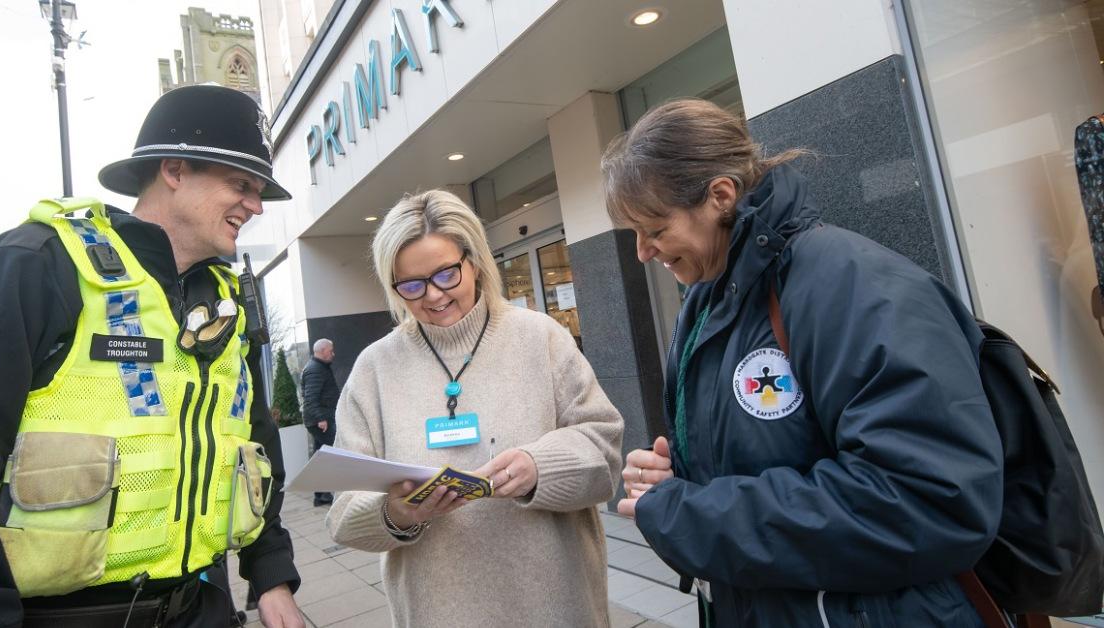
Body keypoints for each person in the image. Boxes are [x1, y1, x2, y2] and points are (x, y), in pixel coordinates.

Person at [0, 85, 305, 628]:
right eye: (241, 185)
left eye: (258, 190)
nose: (255, 206)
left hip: (197, 608)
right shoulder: (37, 263)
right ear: (175, 169)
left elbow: (253, 447)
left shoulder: (226, 304)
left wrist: (271, 573)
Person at [603, 99, 1004, 627]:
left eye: (654, 229)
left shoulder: (852, 285)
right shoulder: (705, 302)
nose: (642, 253)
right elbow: (773, 454)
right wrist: (676, 475)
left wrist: (687, 514)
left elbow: (927, 498)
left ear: (720, 196)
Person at [325, 190, 623, 626]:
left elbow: (606, 453)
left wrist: (539, 468)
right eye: (410, 285)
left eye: (446, 274)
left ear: (475, 260)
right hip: (436, 612)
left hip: (555, 606)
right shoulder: (374, 369)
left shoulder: (539, 337)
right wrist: (394, 513)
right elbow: (343, 512)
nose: (433, 296)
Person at [301, 338, 338, 506]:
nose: (333, 353)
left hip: (321, 419)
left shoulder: (319, 367)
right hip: (321, 421)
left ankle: (321, 495)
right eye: (331, 351)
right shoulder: (315, 370)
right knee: (331, 455)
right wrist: (321, 419)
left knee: (321, 457)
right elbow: (310, 399)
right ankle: (325, 494)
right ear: (323, 351)